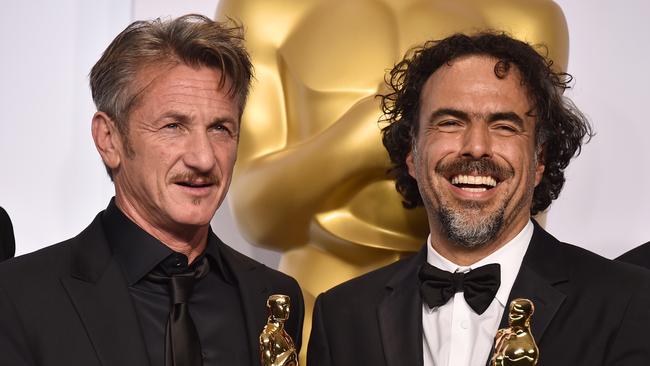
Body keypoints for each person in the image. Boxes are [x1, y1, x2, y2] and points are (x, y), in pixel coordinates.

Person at [307, 32, 650, 365]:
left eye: (503, 126)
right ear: (412, 153)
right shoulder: (341, 316)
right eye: (451, 122)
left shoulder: (628, 301)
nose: (476, 147)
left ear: (539, 160)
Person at [0, 15, 303, 366]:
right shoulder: (18, 297)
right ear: (109, 139)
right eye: (174, 126)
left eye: (220, 128)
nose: (203, 158)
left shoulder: (274, 298)